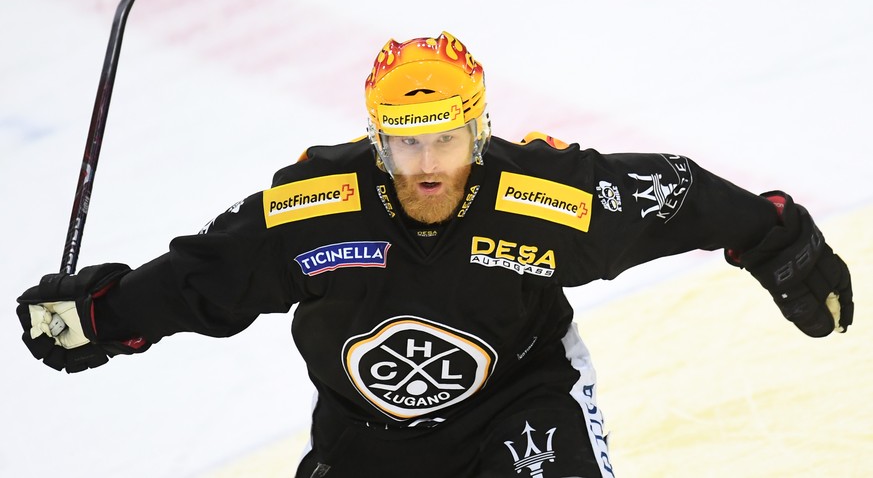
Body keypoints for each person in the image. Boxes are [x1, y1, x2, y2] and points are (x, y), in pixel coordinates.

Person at [17, 31, 853, 478]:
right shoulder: (312, 208)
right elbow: (209, 275)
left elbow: (676, 193)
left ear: (478, 127)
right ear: (376, 138)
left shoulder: (543, 196)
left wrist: (772, 238)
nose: (426, 166)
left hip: (520, 405)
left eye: (446, 139)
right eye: (404, 144)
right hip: (363, 439)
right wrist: (103, 316)